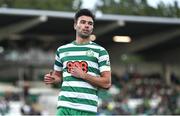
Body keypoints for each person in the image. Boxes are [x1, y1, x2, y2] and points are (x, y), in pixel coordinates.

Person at [44, 9, 111, 115]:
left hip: (87, 109)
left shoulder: (101, 51)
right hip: (64, 106)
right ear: (75, 25)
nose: (87, 25)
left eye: (90, 23)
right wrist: (52, 79)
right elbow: (57, 76)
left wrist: (84, 75)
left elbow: (107, 83)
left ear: (92, 27)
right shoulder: (62, 50)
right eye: (83, 22)